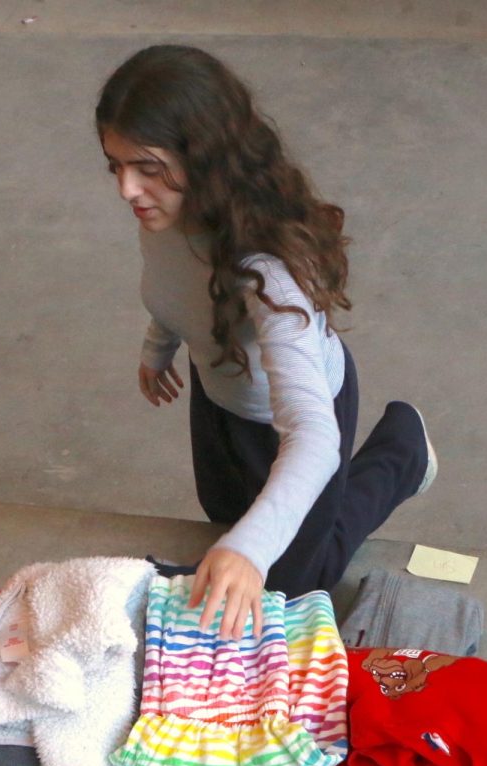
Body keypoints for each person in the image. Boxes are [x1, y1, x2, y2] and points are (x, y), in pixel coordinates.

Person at [96, 45, 436, 640]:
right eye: (115, 166)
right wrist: (159, 348)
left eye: (147, 167)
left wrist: (251, 550)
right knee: (224, 514)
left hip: (298, 411)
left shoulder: (271, 269)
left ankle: (403, 452)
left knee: (296, 581)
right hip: (220, 387)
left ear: (205, 158)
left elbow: (311, 434)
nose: (127, 189)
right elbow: (175, 290)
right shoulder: (163, 215)